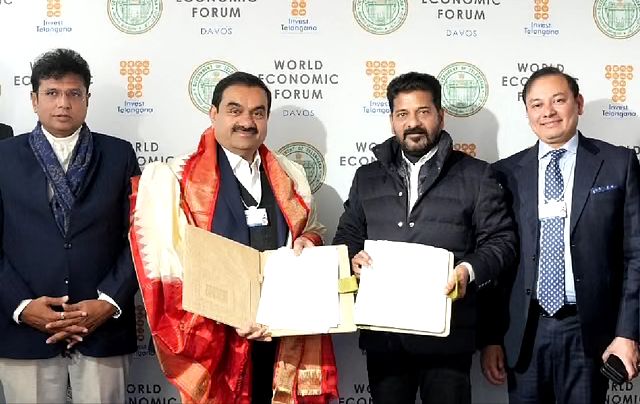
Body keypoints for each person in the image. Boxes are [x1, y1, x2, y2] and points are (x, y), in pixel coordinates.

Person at [129, 71, 338, 403]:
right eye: (235, 110)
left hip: (284, 334)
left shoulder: (290, 174)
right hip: (216, 340)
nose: (247, 122)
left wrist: (308, 242)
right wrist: (230, 313)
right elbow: (166, 268)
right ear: (213, 114)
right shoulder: (175, 178)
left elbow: (312, 231)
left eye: (258, 112)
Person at [332, 71, 516, 404]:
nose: (413, 123)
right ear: (392, 120)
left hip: (448, 337)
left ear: (440, 116)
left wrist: (467, 271)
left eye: (423, 112)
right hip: (385, 336)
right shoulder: (366, 177)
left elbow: (501, 242)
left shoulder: (477, 175)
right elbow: (347, 237)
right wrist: (352, 259)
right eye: (402, 113)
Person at [479, 66, 640, 404]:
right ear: (527, 113)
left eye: (558, 100)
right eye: (536, 105)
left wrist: (627, 332)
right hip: (525, 332)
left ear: (578, 104)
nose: (548, 112)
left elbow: (635, 254)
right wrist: (492, 337)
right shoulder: (505, 173)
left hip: (590, 331)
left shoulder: (618, 163)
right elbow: (498, 261)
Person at [0, 48, 140, 403]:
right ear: (34, 100)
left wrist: (108, 301)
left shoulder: (119, 155)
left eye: (74, 93)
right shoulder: (3, 157)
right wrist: (21, 306)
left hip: (103, 327)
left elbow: (140, 237)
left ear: (87, 99)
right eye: (52, 93)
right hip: (24, 330)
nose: (63, 103)